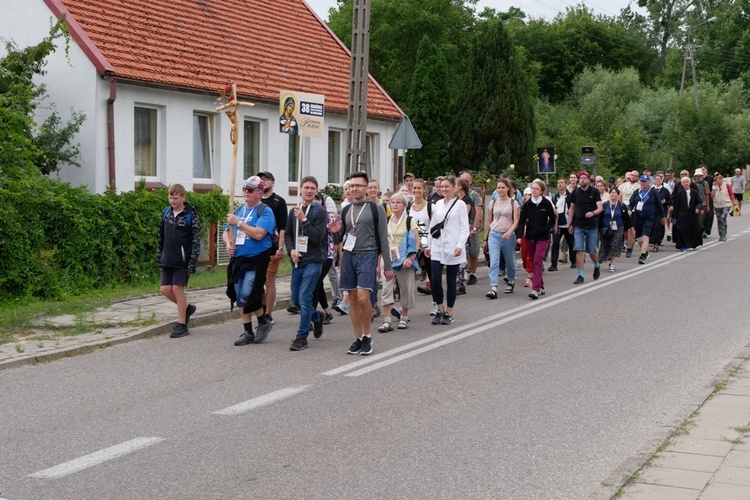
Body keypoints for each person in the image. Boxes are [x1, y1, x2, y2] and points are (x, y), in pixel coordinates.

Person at [329, 172, 393, 356]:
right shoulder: (346, 209)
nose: (354, 189)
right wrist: (334, 233)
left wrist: (387, 265)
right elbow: (340, 238)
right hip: (349, 256)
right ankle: (358, 338)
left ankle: (367, 335)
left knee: (364, 297)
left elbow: (383, 238)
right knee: (353, 300)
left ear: (366, 188)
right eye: (352, 186)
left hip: (368, 255)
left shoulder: (376, 208)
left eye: (358, 185)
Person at [224, 176, 276, 346]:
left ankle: (262, 321)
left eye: (250, 190)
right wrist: (228, 243)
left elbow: (259, 234)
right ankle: (248, 330)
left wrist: (238, 223)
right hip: (239, 259)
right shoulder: (239, 210)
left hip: (257, 260)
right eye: (244, 189)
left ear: (260, 193)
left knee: (247, 293)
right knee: (238, 294)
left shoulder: (265, 211)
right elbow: (226, 232)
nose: (246, 192)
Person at [285, 177, 328, 351]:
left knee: (304, 297)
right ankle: (317, 316)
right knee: (295, 299)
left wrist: (304, 220)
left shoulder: (320, 212)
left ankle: (301, 336)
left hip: (313, 260)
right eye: (306, 187)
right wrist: (292, 250)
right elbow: (288, 234)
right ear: (301, 190)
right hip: (298, 261)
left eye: (312, 188)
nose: (309, 191)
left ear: (316, 191)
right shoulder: (294, 211)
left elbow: (318, 238)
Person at [157, 184, 201, 339]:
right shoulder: (166, 213)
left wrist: (192, 264)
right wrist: (159, 258)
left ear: (183, 197)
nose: (172, 200)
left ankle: (182, 324)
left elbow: (195, 241)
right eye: (170, 197)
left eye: (175, 198)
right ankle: (187, 308)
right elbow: (161, 237)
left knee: (177, 288)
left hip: (183, 260)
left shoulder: (190, 215)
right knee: (165, 289)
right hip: (167, 258)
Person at [425, 176, 469, 325]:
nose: (443, 189)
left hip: (452, 247)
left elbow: (465, 228)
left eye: (446, 186)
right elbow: (433, 225)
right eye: (441, 187)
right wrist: (428, 245)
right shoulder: (437, 203)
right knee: (435, 279)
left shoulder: (460, 204)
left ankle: (449, 312)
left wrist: (459, 246)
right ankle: (440, 309)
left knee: (451, 281)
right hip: (438, 245)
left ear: (454, 187)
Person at [378, 192, 420, 332]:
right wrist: (378, 264)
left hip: (404, 259)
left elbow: (416, 242)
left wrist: (411, 258)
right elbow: (381, 243)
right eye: (392, 202)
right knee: (386, 288)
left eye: (398, 202)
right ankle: (387, 319)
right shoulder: (386, 220)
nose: (395, 205)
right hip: (388, 258)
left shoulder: (409, 221)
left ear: (404, 205)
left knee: (406, 288)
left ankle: (404, 316)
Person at [518, 180, 555, 299]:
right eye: (532, 188)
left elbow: (552, 220)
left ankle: (535, 289)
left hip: (543, 237)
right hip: (530, 236)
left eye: (536, 189)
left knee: (538, 261)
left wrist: (547, 229)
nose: (533, 190)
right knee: (534, 262)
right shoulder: (527, 204)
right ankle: (541, 286)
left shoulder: (546, 203)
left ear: (542, 191)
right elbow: (521, 221)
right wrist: (519, 236)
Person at [258, 172, 287, 322]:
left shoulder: (278, 201)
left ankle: (268, 314)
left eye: (265, 179)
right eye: (260, 180)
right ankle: (262, 308)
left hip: (272, 247)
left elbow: (283, 227)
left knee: (269, 280)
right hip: (256, 248)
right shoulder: (255, 200)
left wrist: (281, 247)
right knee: (257, 281)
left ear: (272, 183)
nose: (263, 182)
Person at [483, 178, 519, 298]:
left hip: (508, 235)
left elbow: (516, 221)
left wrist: (509, 232)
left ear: (508, 188)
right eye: (498, 188)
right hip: (494, 234)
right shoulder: (492, 203)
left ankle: (511, 279)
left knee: (510, 261)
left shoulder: (514, 203)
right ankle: (493, 287)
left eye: (503, 187)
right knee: (494, 261)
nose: (500, 190)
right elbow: (489, 221)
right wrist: (485, 238)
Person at [568, 171, 603, 284]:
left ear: (588, 179)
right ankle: (580, 275)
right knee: (579, 249)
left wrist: (593, 213)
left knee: (591, 250)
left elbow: (600, 208)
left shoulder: (595, 191)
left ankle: (596, 265)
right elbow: (572, 208)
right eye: (580, 178)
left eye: (584, 178)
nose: (582, 180)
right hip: (578, 224)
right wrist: (570, 224)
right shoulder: (575, 192)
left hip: (592, 225)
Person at [407, 179, 435, 314]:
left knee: (432, 273)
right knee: (407, 275)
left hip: (427, 244)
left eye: (419, 188)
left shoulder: (430, 207)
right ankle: (405, 307)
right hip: (412, 243)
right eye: (414, 188)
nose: (416, 191)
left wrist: (426, 244)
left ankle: (436, 303)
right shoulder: (408, 207)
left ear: (424, 190)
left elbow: (433, 226)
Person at [628, 174, 665, 264]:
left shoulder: (653, 192)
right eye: (642, 181)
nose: (643, 183)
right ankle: (645, 252)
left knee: (645, 236)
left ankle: (642, 255)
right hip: (638, 217)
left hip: (649, 217)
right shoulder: (637, 192)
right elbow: (631, 203)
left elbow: (659, 205)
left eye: (645, 181)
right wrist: (629, 209)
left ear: (648, 182)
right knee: (639, 237)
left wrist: (662, 216)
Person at [459, 172, 483, 286]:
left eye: (466, 181)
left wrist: (474, 227)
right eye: (462, 181)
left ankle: (473, 273)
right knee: (463, 250)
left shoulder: (474, 195)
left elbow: (478, 211)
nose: (464, 183)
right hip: (460, 227)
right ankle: (465, 271)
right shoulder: (456, 196)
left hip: (471, 225)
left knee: (473, 251)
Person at [599, 187, 630, 272]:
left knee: (615, 245)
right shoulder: (605, 205)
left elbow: (626, 218)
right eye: (611, 193)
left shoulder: (621, 205)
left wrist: (630, 227)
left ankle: (613, 264)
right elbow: (600, 217)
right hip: (606, 228)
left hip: (618, 228)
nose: (612, 194)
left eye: (614, 193)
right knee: (606, 245)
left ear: (618, 195)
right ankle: (608, 259)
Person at [549, 178, 574, 272]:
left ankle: (574, 261)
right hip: (558, 224)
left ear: (565, 184)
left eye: (562, 183)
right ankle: (553, 264)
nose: (560, 185)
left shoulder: (570, 196)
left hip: (568, 223)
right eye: (558, 183)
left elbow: (574, 208)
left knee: (571, 243)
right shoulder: (555, 197)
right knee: (555, 243)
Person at [671, 177, 703, 251]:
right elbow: (677, 205)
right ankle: (682, 245)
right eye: (684, 182)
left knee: (693, 228)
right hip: (682, 214)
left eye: (687, 182)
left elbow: (699, 202)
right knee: (681, 229)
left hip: (692, 214)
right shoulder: (680, 193)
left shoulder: (694, 192)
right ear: (682, 184)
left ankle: (694, 244)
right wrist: (674, 217)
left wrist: (698, 208)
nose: (686, 183)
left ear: (689, 183)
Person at [651, 172, 671, 252]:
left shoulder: (665, 190)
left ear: (662, 180)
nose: (658, 180)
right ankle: (651, 241)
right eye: (656, 179)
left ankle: (657, 244)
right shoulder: (651, 190)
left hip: (662, 211)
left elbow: (670, 201)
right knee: (652, 227)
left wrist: (665, 202)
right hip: (652, 211)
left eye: (659, 179)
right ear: (654, 181)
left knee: (659, 227)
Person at [711, 174, 735, 242]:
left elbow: (731, 195)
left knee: (723, 217)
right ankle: (721, 235)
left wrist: (734, 205)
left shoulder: (727, 186)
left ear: (721, 179)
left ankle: (724, 235)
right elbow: (712, 196)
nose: (717, 182)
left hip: (726, 204)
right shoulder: (715, 187)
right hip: (717, 205)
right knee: (719, 220)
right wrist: (714, 188)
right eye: (715, 181)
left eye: (718, 181)